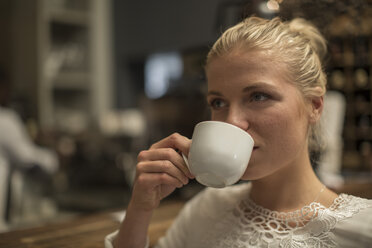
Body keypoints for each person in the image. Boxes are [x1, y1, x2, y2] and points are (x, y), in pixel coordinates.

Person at [105, 16, 372, 248]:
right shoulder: (206, 210)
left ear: (314, 106)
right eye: (218, 103)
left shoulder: (361, 232)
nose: (231, 122)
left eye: (258, 96)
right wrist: (140, 210)